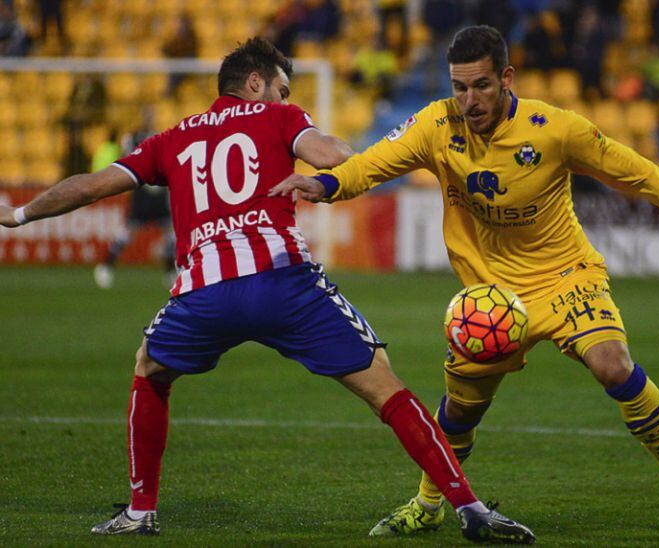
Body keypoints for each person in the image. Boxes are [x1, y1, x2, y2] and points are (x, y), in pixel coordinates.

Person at [0, 37, 534, 544]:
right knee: (384, 386)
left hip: (204, 292)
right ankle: (469, 508)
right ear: (256, 83)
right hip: (284, 283)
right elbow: (328, 155)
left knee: (149, 369)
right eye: (283, 89)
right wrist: (344, 154)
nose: (287, 99)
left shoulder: (173, 138)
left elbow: (92, 184)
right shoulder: (279, 116)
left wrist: (20, 213)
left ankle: (141, 512)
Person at [270, 25, 659, 537]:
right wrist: (322, 183)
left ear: (507, 78)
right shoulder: (436, 124)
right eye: (459, 87)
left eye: (481, 86)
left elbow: (639, 174)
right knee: (460, 412)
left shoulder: (554, 129)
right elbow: (371, 165)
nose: (469, 100)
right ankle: (428, 504)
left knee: (613, 364)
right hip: (490, 297)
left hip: (567, 277)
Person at [93, 108, 176, 289]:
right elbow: (128, 160)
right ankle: (106, 267)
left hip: (159, 196)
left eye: (152, 116)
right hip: (141, 195)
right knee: (127, 234)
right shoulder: (131, 139)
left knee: (171, 235)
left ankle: (170, 272)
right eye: (147, 116)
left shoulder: (160, 137)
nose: (150, 119)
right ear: (142, 118)